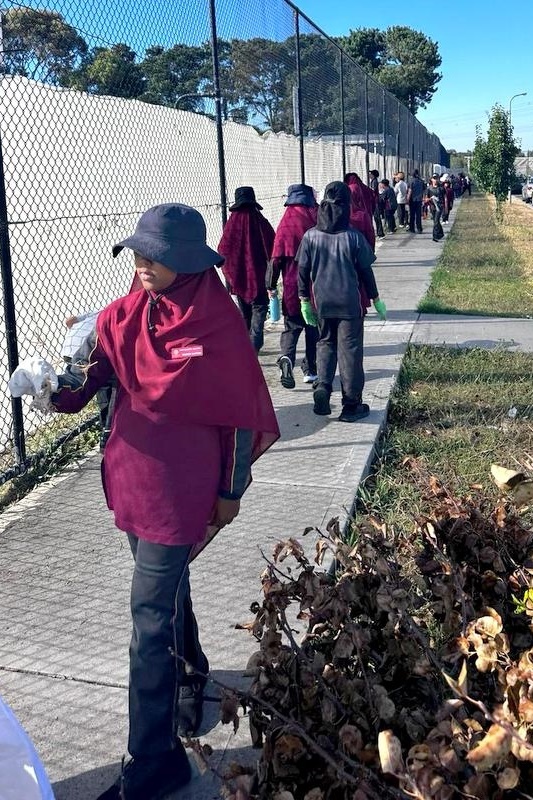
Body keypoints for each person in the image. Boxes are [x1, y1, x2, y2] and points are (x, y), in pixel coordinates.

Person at [29, 204, 280, 800]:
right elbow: (85, 383)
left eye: (154, 255)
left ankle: (154, 758)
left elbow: (241, 420)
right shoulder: (122, 316)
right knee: (167, 595)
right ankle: (191, 677)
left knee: (147, 620)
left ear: (189, 262)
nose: (141, 263)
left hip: (181, 493)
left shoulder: (216, 326)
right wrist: (48, 386)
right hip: (131, 482)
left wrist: (230, 491)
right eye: (136, 252)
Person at [296, 181, 386, 423]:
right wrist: (376, 299)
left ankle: (323, 386)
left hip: (322, 303)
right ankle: (351, 405)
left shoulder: (310, 237)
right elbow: (366, 272)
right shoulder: (353, 237)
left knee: (325, 344)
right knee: (350, 353)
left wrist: (304, 300)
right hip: (349, 304)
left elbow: (301, 272)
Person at [266, 183, 319, 389]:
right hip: (313, 285)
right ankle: (311, 370)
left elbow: (275, 258)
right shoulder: (314, 217)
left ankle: (287, 357)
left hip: (291, 285)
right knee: (313, 328)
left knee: (292, 327)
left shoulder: (285, 222)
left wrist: (270, 285)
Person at [218, 186, 275, 353]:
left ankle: (246, 348)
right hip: (259, 276)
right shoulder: (259, 220)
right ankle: (254, 346)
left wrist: (231, 274)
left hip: (238, 277)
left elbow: (223, 251)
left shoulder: (231, 224)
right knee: (259, 309)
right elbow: (272, 247)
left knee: (245, 314)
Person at [426, 174, 445, 242]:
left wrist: (445, 207)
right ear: (431, 179)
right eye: (434, 178)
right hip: (432, 207)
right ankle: (441, 233)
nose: (435, 180)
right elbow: (425, 198)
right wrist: (430, 199)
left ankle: (435, 236)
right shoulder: (429, 188)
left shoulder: (441, 188)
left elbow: (444, 198)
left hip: (439, 207)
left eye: (437, 178)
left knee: (436, 221)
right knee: (435, 221)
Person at [407, 169, 425, 234]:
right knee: (418, 215)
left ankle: (412, 228)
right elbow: (424, 190)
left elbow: (410, 191)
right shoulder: (421, 181)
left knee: (412, 215)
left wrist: (407, 200)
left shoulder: (411, 181)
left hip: (412, 200)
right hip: (419, 200)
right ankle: (419, 228)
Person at [369, 169, 385, 239]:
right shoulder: (373, 181)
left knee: (377, 217)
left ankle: (380, 233)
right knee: (376, 217)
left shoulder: (374, 182)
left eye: (370, 174)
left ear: (373, 175)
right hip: (375, 201)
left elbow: (373, 191)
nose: (369, 175)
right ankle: (379, 233)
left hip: (375, 201)